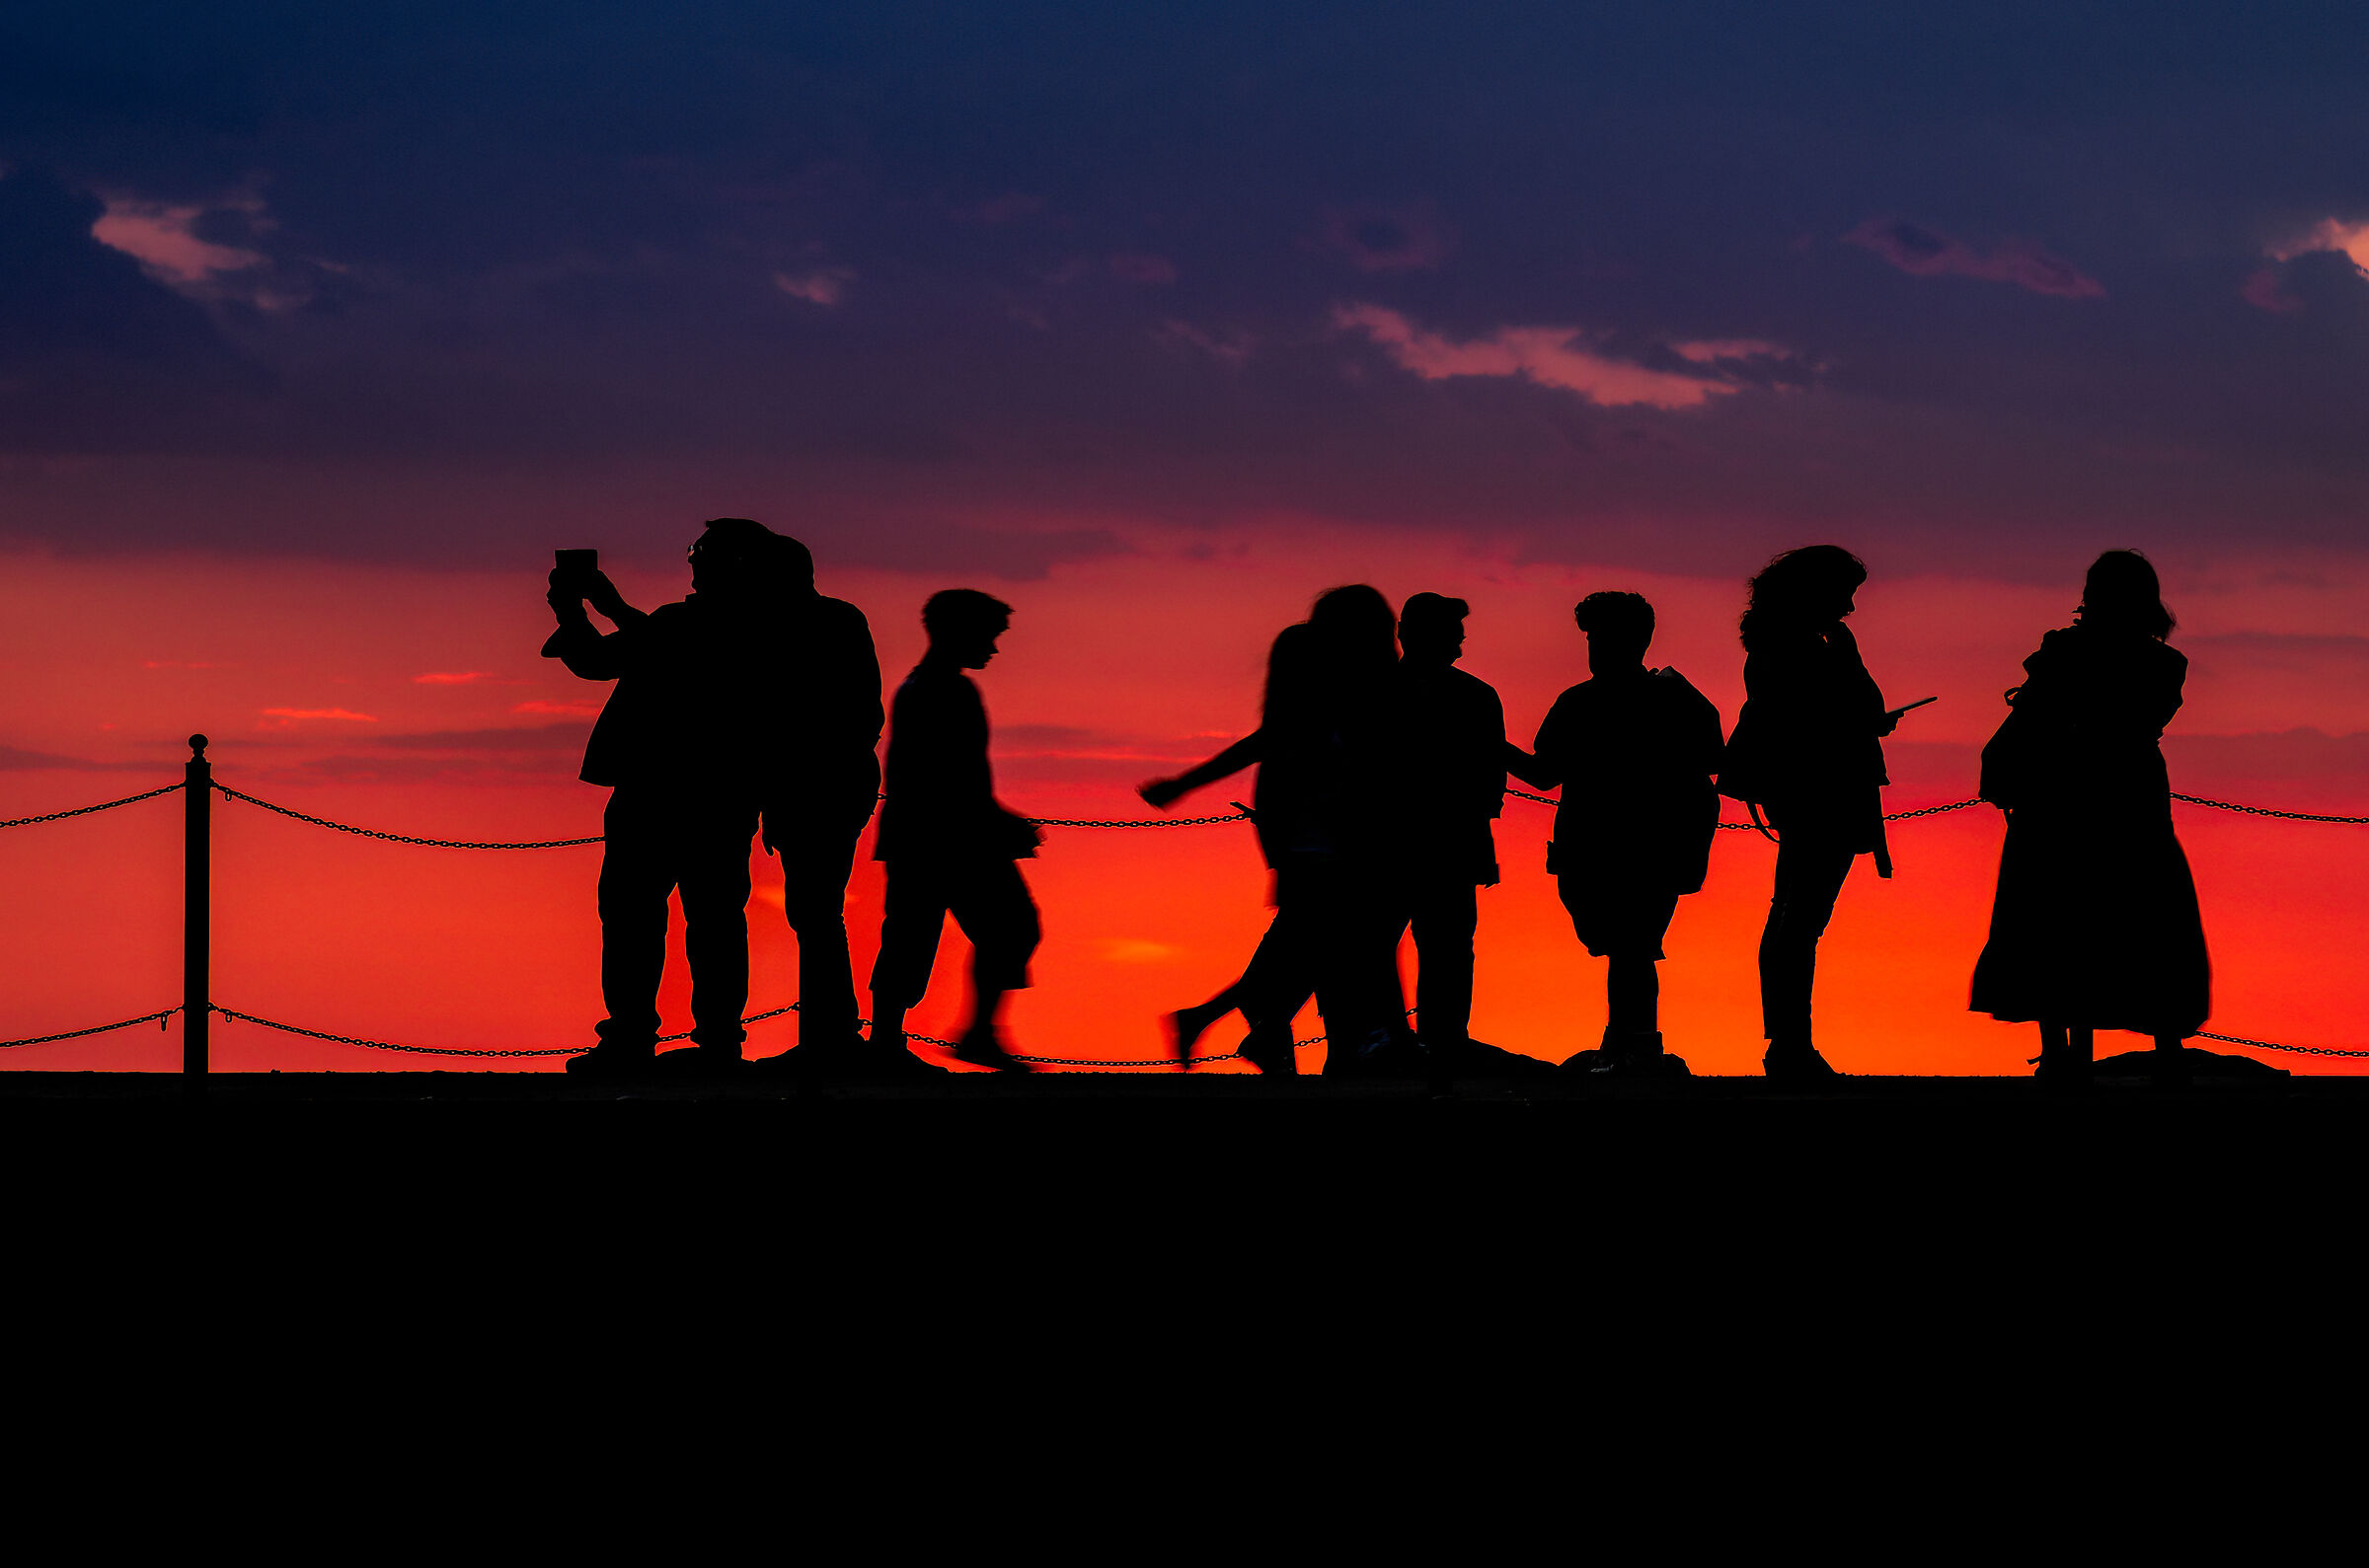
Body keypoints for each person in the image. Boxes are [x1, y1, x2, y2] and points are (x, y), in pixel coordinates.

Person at [542, 518, 781, 1077]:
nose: (691, 561)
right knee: (714, 918)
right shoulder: (768, 628)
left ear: (733, 563)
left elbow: (601, 662)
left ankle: (632, 1037)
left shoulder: (690, 622)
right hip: (726, 797)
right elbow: (654, 645)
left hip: (655, 792)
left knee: (633, 916)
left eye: (700, 552)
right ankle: (718, 1040)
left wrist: (574, 609)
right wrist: (607, 607)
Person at [1138, 585, 1406, 1075]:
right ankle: (1260, 1025)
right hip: (1325, 834)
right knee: (1328, 939)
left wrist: (1185, 783)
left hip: (1308, 832)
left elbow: (1265, 743)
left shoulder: (1326, 683)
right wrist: (1185, 783)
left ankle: (1238, 1023)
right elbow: (1270, 742)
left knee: (1310, 939)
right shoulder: (1334, 688)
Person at [1970, 550, 2211, 1086]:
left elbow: (2035, 716)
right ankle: (2165, 1047)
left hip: (2061, 796)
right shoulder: (2162, 664)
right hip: (2130, 796)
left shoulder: (2063, 654)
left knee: (2054, 917)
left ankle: (2060, 1051)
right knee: (2146, 916)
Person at [1508, 592, 1723, 1075]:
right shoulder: (1668, 698)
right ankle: (1631, 1043)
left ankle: (1633, 1045)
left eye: (1601, 636)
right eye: (1592, 636)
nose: (1595, 646)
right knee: (1631, 947)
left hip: (1629, 846)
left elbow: (1543, 772)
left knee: (1631, 946)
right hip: (1626, 846)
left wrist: (1487, 747)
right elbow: (1714, 758)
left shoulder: (1586, 702)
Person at [1718, 546, 1902, 1079]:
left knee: (1793, 917)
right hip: (1822, 792)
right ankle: (1789, 1046)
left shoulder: (1782, 645)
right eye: (1843, 594)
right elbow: (1853, 711)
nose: (1848, 607)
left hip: (1802, 792)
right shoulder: (1802, 648)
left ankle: (1788, 1040)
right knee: (1800, 920)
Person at [868, 589, 1043, 1071]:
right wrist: (1000, 823)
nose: (993, 648)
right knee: (1007, 928)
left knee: (913, 936)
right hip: (949, 840)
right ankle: (972, 1034)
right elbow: (949, 776)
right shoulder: (942, 690)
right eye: (988, 636)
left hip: (924, 837)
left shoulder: (921, 688)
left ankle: (897, 1040)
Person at [744, 535, 897, 1075]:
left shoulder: (789, 628)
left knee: (814, 911)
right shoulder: (839, 619)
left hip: (819, 786)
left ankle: (830, 1035)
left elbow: (788, 720)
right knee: (817, 910)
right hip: (835, 782)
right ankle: (832, 1031)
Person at [1388, 593, 1511, 1063]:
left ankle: (1387, 1039)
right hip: (1450, 843)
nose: (1460, 646)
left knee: (1381, 943)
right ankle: (1444, 1042)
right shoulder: (1476, 696)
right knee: (1449, 948)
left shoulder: (1373, 693)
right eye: (1454, 635)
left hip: (1389, 842)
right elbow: (1490, 782)